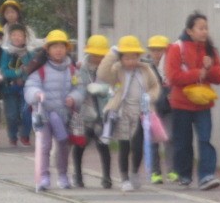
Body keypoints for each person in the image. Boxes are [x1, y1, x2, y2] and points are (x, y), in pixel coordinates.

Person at [166, 11, 220, 190]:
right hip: (181, 104)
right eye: (200, 28)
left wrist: (209, 68)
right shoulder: (177, 48)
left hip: (203, 103)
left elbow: (219, 77)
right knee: (183, 141)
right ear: (189, 31)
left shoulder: (211, 50)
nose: (204, 31)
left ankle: (207, 175)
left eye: (206, 28)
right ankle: (184, 175)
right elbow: (173, 77)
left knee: (205, 139)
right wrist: (198, 73)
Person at [99, 35, 160, 192]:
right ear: (121, 58)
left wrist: (149, 96)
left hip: (141, 112)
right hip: (122, 112)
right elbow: (102, 73)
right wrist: (112, 53)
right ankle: (124, 178)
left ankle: (134, 172)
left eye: (134, 57)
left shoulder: (145, 69)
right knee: (124, 145)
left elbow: (155, 86)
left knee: (138, 145)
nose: (131, 61)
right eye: (127, 58)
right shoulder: (117, 70)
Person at [24, 30, 83, 190]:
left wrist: (74, 97)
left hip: (64, 114)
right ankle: (43, 177)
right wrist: (37, 94)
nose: (58, 50)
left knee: (63, 144)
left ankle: (63, 175)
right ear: (47, 49)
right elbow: (30, 86)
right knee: (44, 145)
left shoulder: (72, 70)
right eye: (54, 46)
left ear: (66, 49)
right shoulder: (40, 69)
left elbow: (79, 88)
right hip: (44, 114)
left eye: (61, 46)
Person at [72, 34, 113, 189]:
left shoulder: (110, 68)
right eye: (95, 55)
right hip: (83, 113)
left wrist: (102, 89)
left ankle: (107, 176)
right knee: (80, 144)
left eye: (102, 56)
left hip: (102, 113)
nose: (98, 58)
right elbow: (76, 86)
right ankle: (77, 175)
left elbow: (115, 87)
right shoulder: (80, 69)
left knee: (103, 144)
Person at [147, 35, 178, 185]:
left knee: (169, 138)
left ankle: (171, 169)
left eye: (160, 50)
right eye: (154, 50)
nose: (157, 53)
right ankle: (155, 172)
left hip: (168, 107)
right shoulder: (146, 68)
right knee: (153, 141)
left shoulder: (171, 66)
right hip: (152, 108)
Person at [0, 23, 35, 147]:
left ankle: (25, 135)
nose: (17, 37)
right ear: (10, 37)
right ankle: (12, 136)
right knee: (11, 114)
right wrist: (18, 73)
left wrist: (24, 75)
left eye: (20, 35)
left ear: (25, 38)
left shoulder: (29, 53)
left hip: (26, 88)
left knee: (27, 113)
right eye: (14, 35)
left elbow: (32, 69)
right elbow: (3, 71)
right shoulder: (6, 53)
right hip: (9, 87)